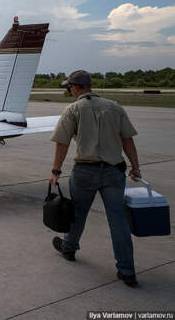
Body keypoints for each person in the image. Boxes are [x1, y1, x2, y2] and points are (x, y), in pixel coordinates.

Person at [48, 70, 141, 287]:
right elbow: (127, 140)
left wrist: (55, 171)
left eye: (69, 87)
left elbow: (62, 143)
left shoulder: (73, 109)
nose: (68, 90)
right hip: (113, 172)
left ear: (76, 87)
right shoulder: (115, 107)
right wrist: (136, 167)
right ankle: (127, 270)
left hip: (85, 172)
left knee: (77, 214)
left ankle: (69, 248)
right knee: (118, 220)